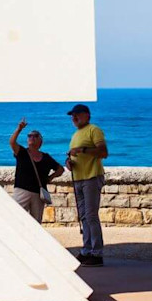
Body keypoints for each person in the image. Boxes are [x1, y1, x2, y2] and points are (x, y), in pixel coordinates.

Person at [65, 104, 108, 265]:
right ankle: (86, 250)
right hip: (79, 179)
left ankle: (97, 254)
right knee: (84, 216)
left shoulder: (93, 130)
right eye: (72, 115)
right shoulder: (75, 134)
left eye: (77, 114)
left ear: (87, 116)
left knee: (90, 216)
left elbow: (103, 152)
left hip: (91, 177)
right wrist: (69, 162)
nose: (74, 117)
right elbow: (74, 155)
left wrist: (82, 150)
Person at [7, 117, 63, 222]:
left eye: (35, 136)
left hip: (38, 193)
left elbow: (60, 169)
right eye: (29, 136)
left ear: (40, 142)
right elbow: (12, 142)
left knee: (36, 222)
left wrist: (51, 177)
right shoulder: (22, 152)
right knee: (16, 218)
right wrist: (19, 129)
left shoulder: (46, 157)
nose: (31, 137)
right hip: (21, 190)